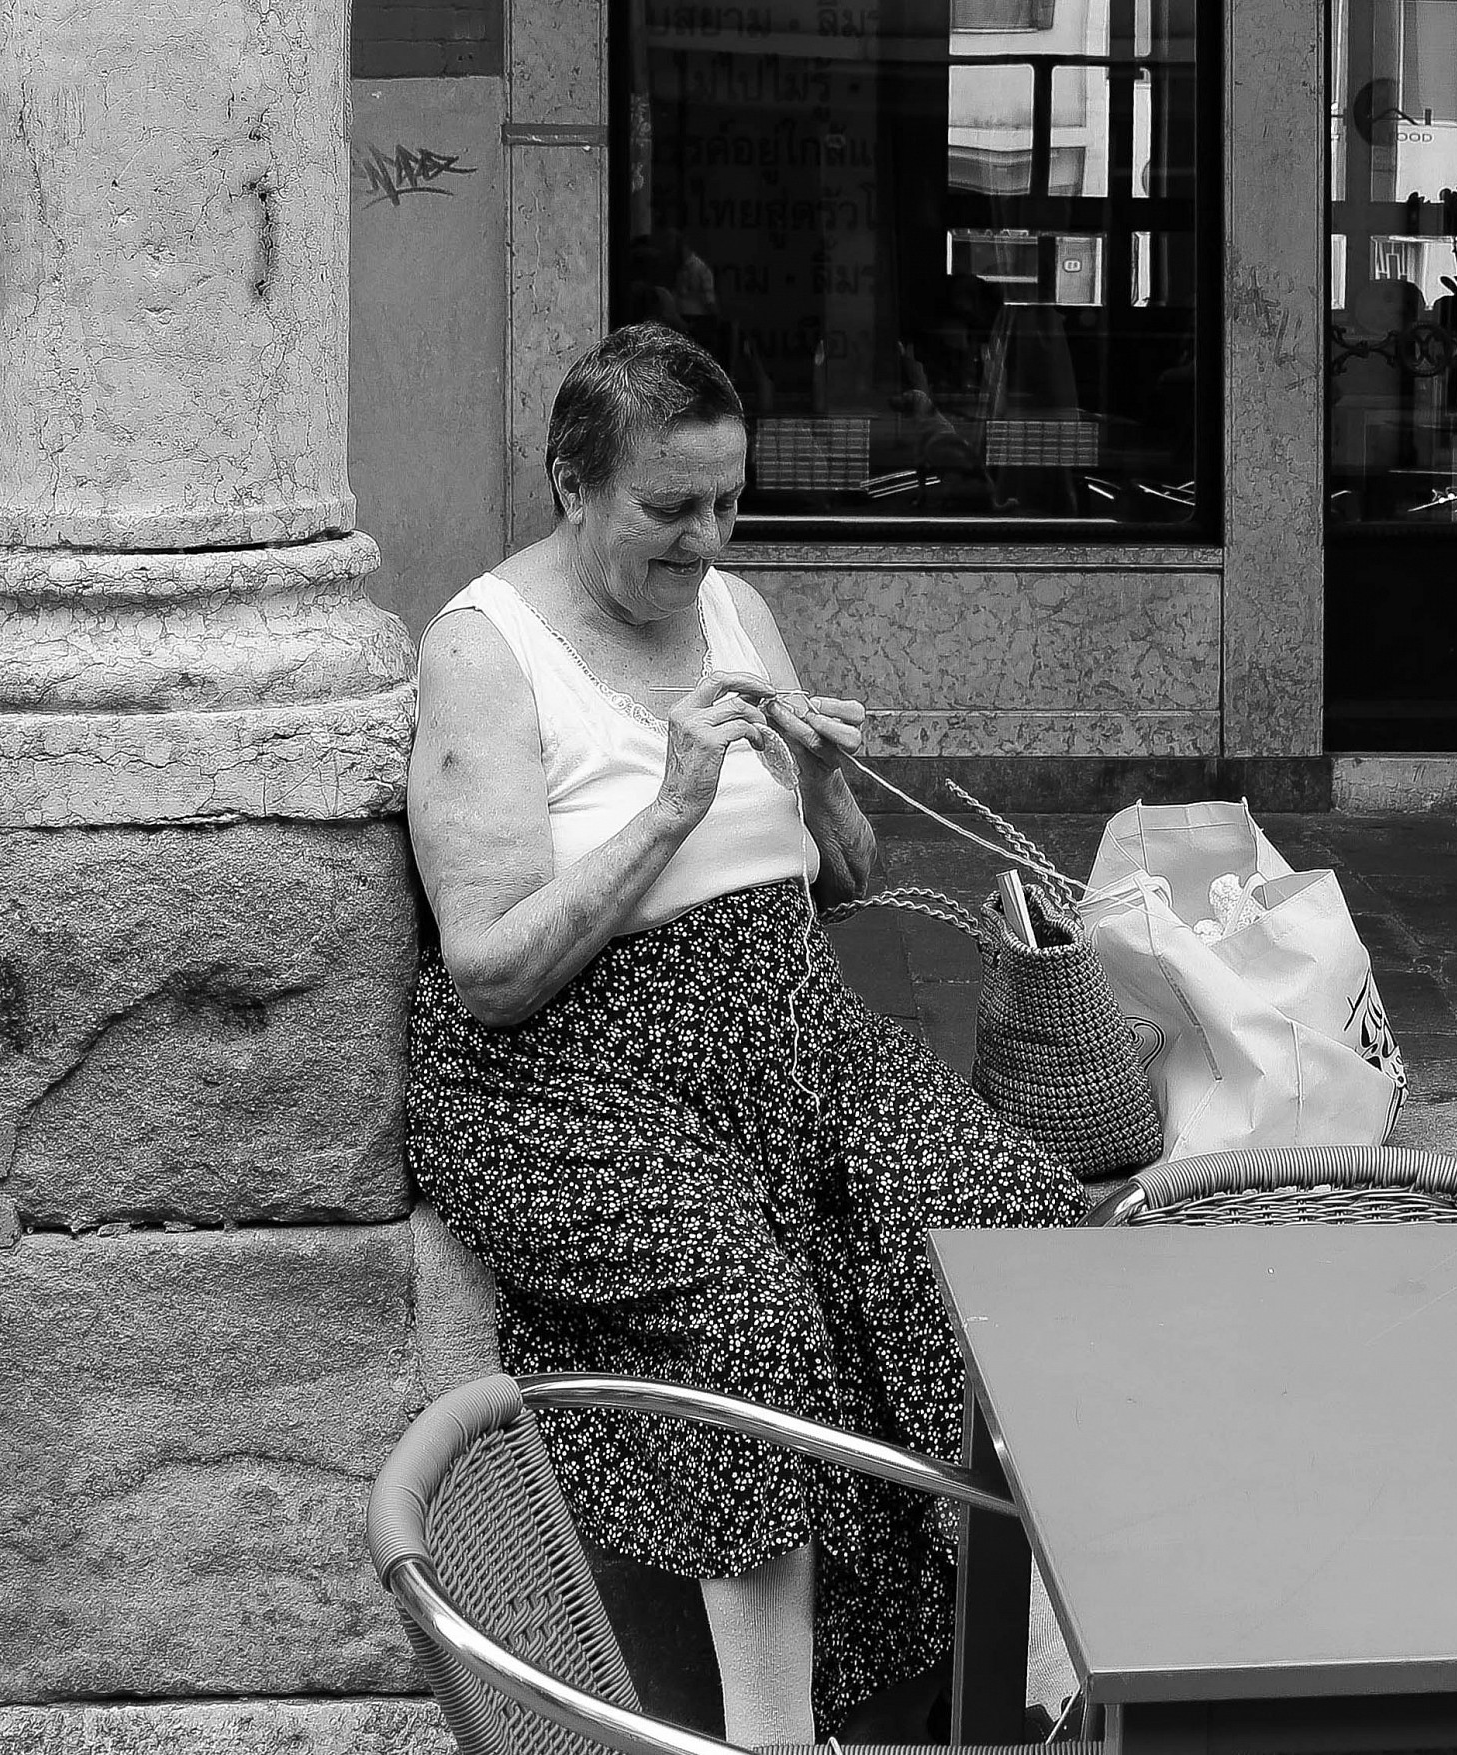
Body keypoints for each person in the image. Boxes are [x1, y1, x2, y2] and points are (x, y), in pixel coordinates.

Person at [401, 322, 1085, 1744]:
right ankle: (774, 1734)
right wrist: (670, 806)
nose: (707, 540)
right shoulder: (485, 650)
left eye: (728, 502)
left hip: (785, 1032)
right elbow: (488, 970)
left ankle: (1041, 1676)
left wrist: (824, 787)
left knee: (1006, 1213)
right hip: (569, 1079)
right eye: (671, 507)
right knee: (744, 1313)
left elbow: (843, 881)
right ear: (572, 484)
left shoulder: (736, 608)